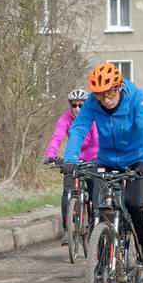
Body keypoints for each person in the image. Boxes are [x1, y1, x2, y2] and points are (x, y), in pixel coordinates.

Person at [63, 62, 143, 273]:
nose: (105, 101)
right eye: (99, 96)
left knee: (134, 203)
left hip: (137, 159)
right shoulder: (93, 102)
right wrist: (70, 158)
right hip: (107, 159)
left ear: (117, 87)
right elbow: (79, 128)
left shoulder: (137, 99)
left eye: (108, 94)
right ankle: (99, 265)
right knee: (100, 206)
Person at [44, 89, 98, 246]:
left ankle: (95, 227)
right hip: (72, 159)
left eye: (81, 105)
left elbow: (98, 139)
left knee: (96, 194)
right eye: (74, 105)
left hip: (93, 158)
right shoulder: (65, 118)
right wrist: (51, 154)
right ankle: (67, 229)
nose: (77, 109)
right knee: (68, 192)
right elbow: (57, 136)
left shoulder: (92, 118)